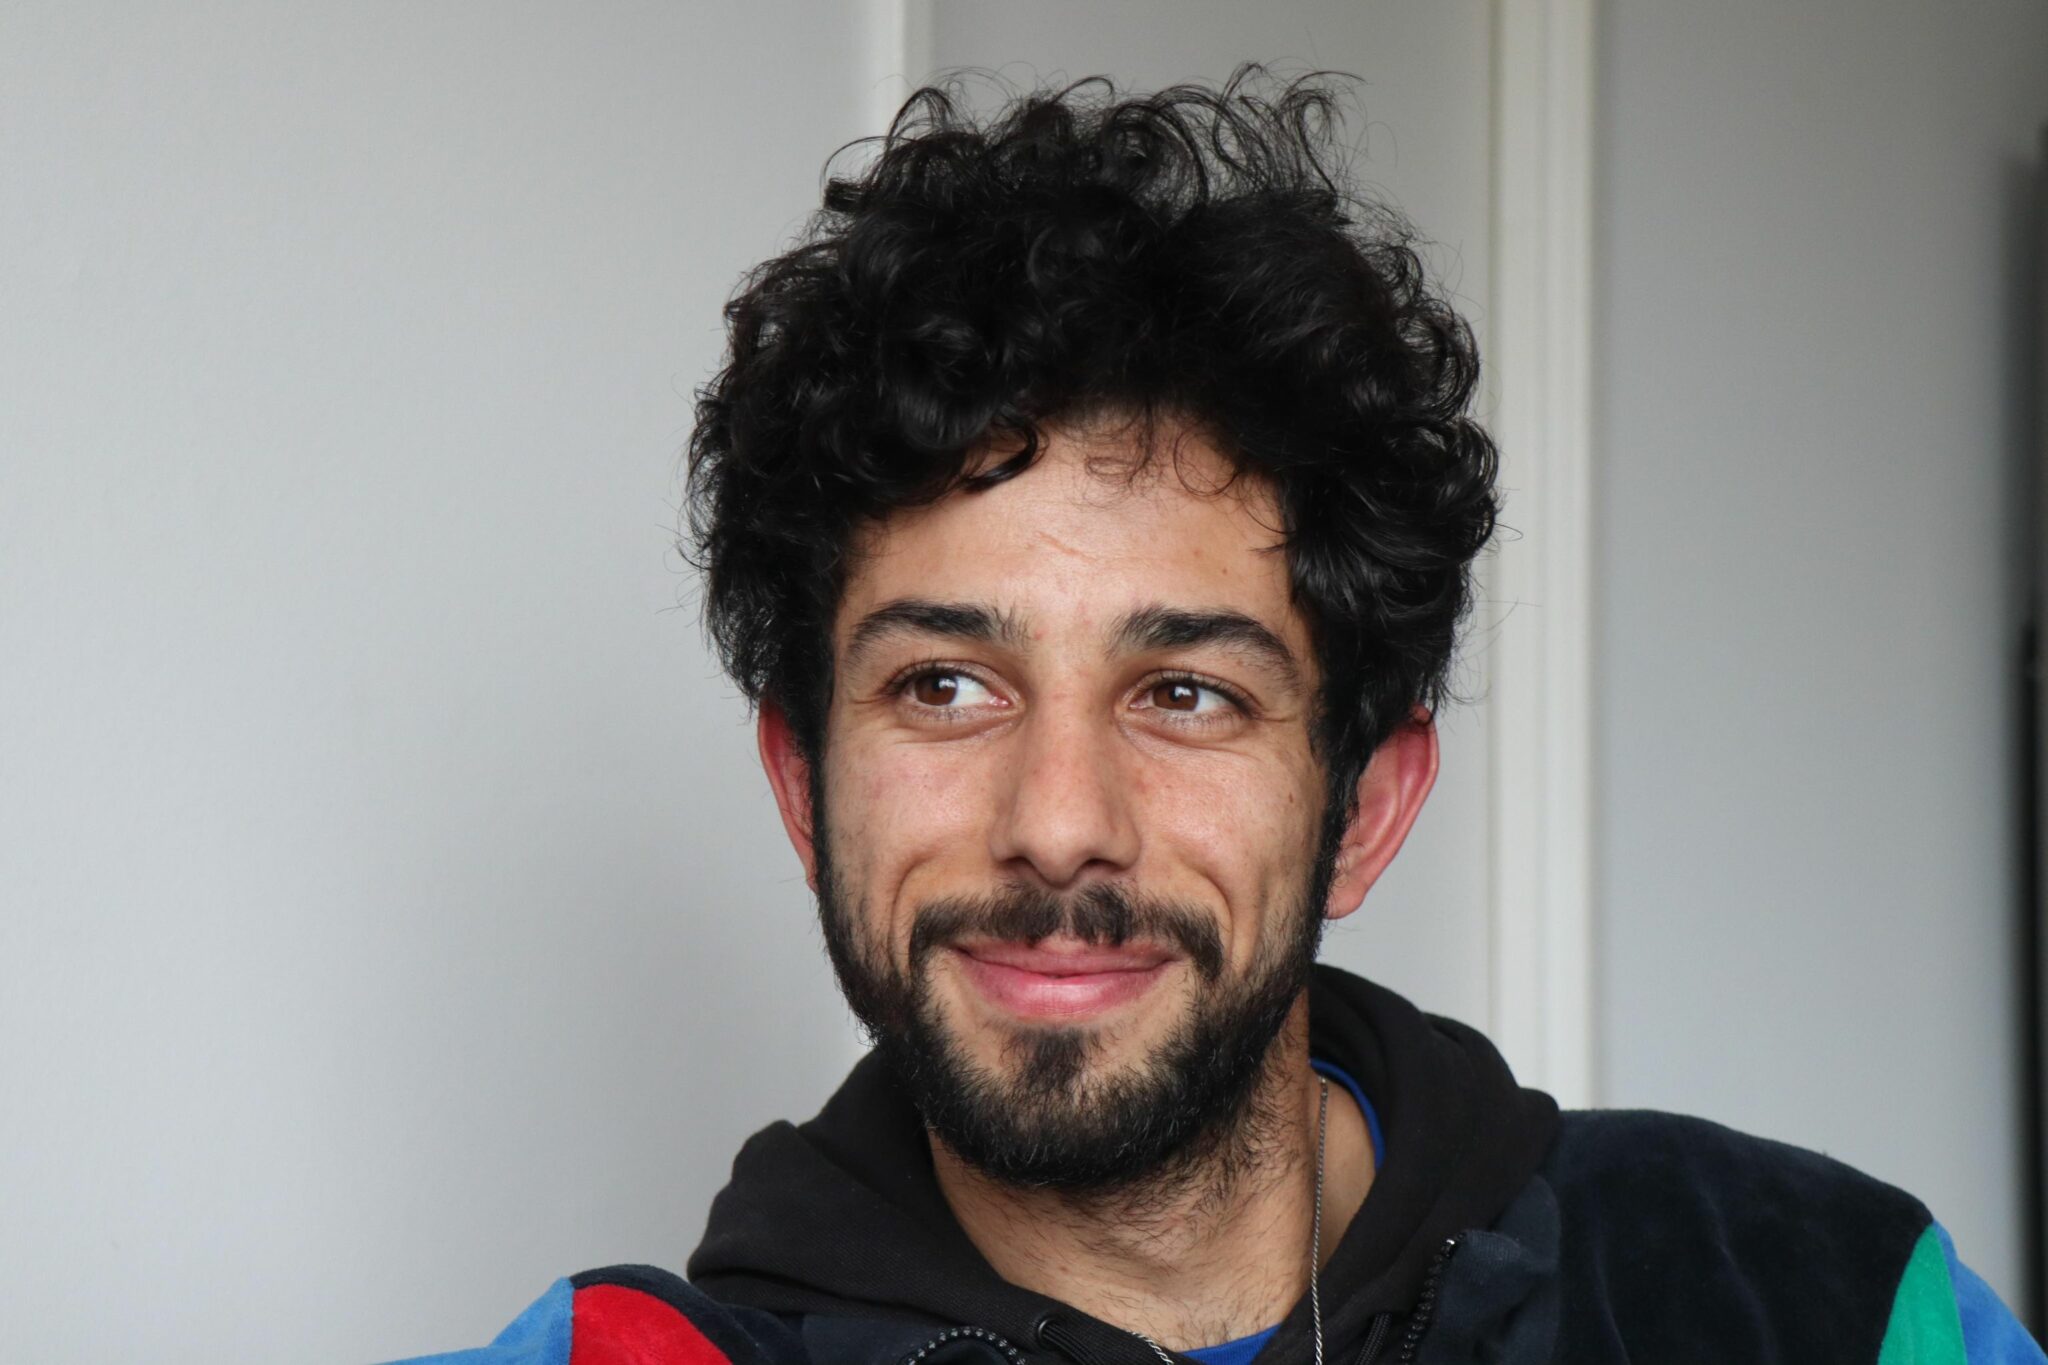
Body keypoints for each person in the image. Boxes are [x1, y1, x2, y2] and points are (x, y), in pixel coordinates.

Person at [392, 71, 2042, 1365]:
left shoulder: (1816, 1300)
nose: (1058, 821)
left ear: (1366, 805)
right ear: (803, 783)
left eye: (1185, 692)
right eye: (944, 685)